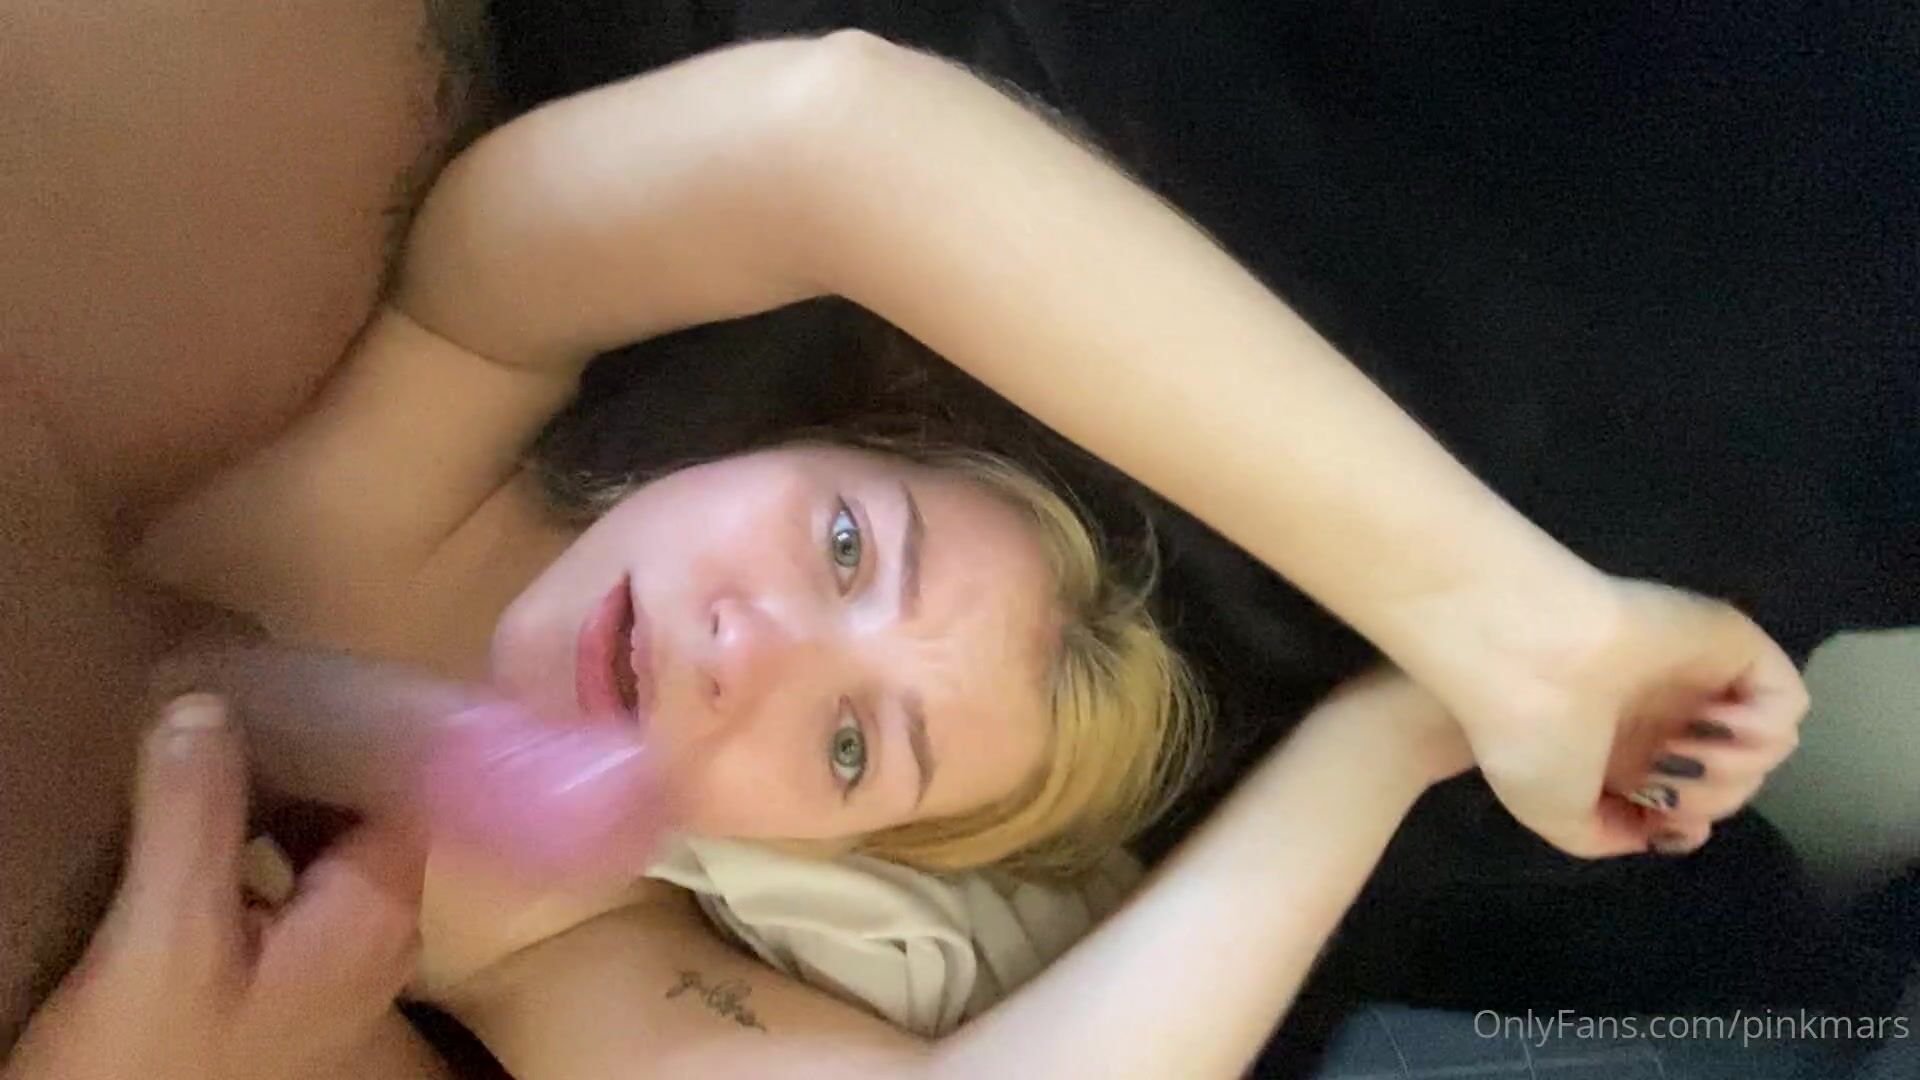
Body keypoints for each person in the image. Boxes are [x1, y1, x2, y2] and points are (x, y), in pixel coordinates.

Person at [107, 31, 1800, 1071]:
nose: (756, 653)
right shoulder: (458, 351)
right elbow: (829, 140)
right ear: (785, 438)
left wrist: (1396, 733)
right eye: (849, 545)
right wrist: (1509, 629)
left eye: (853, 748)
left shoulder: (557, 952)